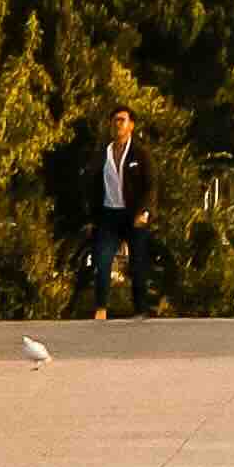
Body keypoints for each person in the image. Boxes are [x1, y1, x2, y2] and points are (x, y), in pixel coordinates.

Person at [83, 105, 154, 318]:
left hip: (133, 215)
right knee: (102, 260)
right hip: (109, 215)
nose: (118, 124)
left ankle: (140, 309)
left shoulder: (141, 154)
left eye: (122, 120)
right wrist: (91, 216)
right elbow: (91, 184)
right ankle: (101, 308)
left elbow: (151, 186)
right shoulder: (102, 154)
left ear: (131, 125)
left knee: (138, 263)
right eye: (114, 120)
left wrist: (145, 212)